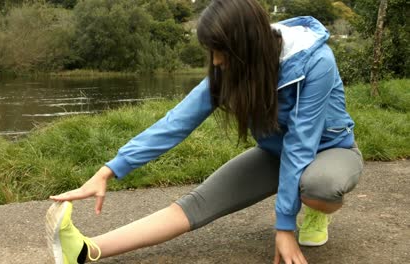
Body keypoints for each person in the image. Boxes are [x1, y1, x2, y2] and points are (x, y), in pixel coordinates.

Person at [45, 0, 364, 263]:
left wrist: (284, 227)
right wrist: (109, 170)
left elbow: (302, 143)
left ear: (244, 46)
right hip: (275, 154)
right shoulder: (231, 67)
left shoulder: (316, 61)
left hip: (331, 151)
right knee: (198, 202)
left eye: (220, 51)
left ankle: (316, 214)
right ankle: (86, 251)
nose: (215, 61)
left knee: (318, 186)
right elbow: (175, 123)